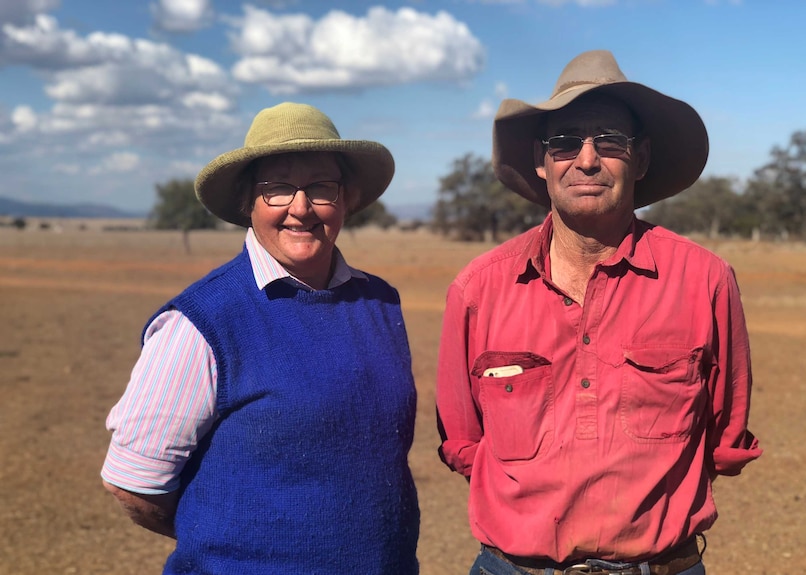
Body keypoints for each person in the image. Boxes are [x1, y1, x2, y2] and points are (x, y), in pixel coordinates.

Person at [436, 50, 762, 575]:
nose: (587, 159)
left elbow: (723, 436)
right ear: (541, 161)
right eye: (565, 142)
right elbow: (464, 442)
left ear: (643, 158)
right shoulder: (479, 290)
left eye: (609, 141)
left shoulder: (704, 281)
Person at [101, 102, 420, 574]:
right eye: (277, 189)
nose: (301, 207)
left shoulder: (379, 303)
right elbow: (135, 484)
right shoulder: (202, 321)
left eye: (321, 188)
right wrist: (231, 538)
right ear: (248, 203)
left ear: (347, 199)